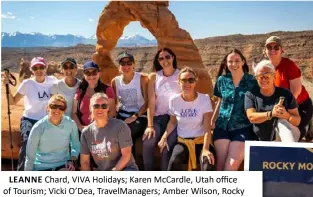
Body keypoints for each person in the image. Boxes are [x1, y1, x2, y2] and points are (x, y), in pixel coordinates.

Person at [2, 57, 58, 171]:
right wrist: (5, 85)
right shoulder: (28, 83)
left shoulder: (53, 81)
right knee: (27, 143)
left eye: (41, 67)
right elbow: (13, 101)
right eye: (35, 68)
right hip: (29, 119)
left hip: (47, 120)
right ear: (32, 70)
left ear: (46, 68)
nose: (39, 70)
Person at [158, 67, 215, 171]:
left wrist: (206, 149)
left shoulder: (204, 99)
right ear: (179, 82)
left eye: (191, 80)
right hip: (183, 142)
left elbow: (207, 127)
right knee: (174, 161)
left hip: (201, 141)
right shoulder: (174, 100)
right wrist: (164, 137)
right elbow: (172, 121)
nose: (187, 83)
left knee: (207, 164)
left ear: (195, 82)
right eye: (184, 80)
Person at [211, 49, 258, 171]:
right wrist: (213, 120)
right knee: (220, 165)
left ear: (243, 62)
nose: (233, 64)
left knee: (231, 166)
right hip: (222, 126)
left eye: (237, 61)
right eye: (230, 61)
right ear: (226, 63)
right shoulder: (222, 80)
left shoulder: (252, 81)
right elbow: (220, 101)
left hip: (243, 127)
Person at [264, 36, 313, 141]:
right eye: (269, 47)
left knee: (295, 135)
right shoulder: (266, 68)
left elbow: (296, 91)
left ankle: (306, 127)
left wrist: (286, 110)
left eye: (276, 47)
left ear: (282, 50)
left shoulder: (289, 65)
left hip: (300, 106)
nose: (272, 50)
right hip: (280, 106)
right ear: (265, 51)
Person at [142, 48, 181, 171]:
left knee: (166, 148)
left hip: (175, 120)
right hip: (158, 118)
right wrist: (150, 125)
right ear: (158, 61)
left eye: (167, 57)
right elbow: (151, 102)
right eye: (161, 58)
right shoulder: (154, 77)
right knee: (148, 142)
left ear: (173, 57)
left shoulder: (180, 75)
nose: (165, 60)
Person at [245, 60, 301, 142]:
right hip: (260, 139)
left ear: (274, 77)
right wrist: (271, 114)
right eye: (260, 76)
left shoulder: (285, 94)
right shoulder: (251, 94)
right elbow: (251, 117)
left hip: (285, 138)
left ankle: (289, 151)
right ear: (256, 78)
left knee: (282, 122)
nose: (264, 79)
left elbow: (297, 121)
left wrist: (287, 116)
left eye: (267, 76)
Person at [80, 93, 138, 171]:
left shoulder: (121, 126)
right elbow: (85, 162)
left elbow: (126, 155)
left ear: (107, 108)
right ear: (90, 108)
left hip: (125, 168)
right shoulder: (86, 132)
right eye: (96, 106)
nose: (100, 109)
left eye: (104, 106)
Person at [24, 94, 80, 171]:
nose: (57, 110)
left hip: (63, 165)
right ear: (47, 108)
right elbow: (30, 156)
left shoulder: (71, 124)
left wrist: (72, 160)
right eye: (53, 106)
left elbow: (75, 145)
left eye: (61, 107)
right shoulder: (38, 127)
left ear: (65, 110)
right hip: (41, 167)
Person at [111, 51, 148, 157]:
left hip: (139, 115)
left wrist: (135, 116)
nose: (126, 66)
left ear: (134, 64)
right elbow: (114, 102)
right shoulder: (115, 82)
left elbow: (147, 103)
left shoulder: (141, 79)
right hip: (122, 114)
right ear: (119, 66)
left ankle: (130, 166)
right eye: (123, 63)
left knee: (126, 133)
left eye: (129, 63)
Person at [72, 61, 116, 132]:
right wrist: (81, 128)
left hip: (102, 129)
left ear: (99, 73)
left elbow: (112, 113)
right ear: (84, 75)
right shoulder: (80, 90)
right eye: (88, 73)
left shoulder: (107, 90)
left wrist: (97, 127)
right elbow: (74, 113)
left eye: (94, 72)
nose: (91, 76)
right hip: (83, 130)